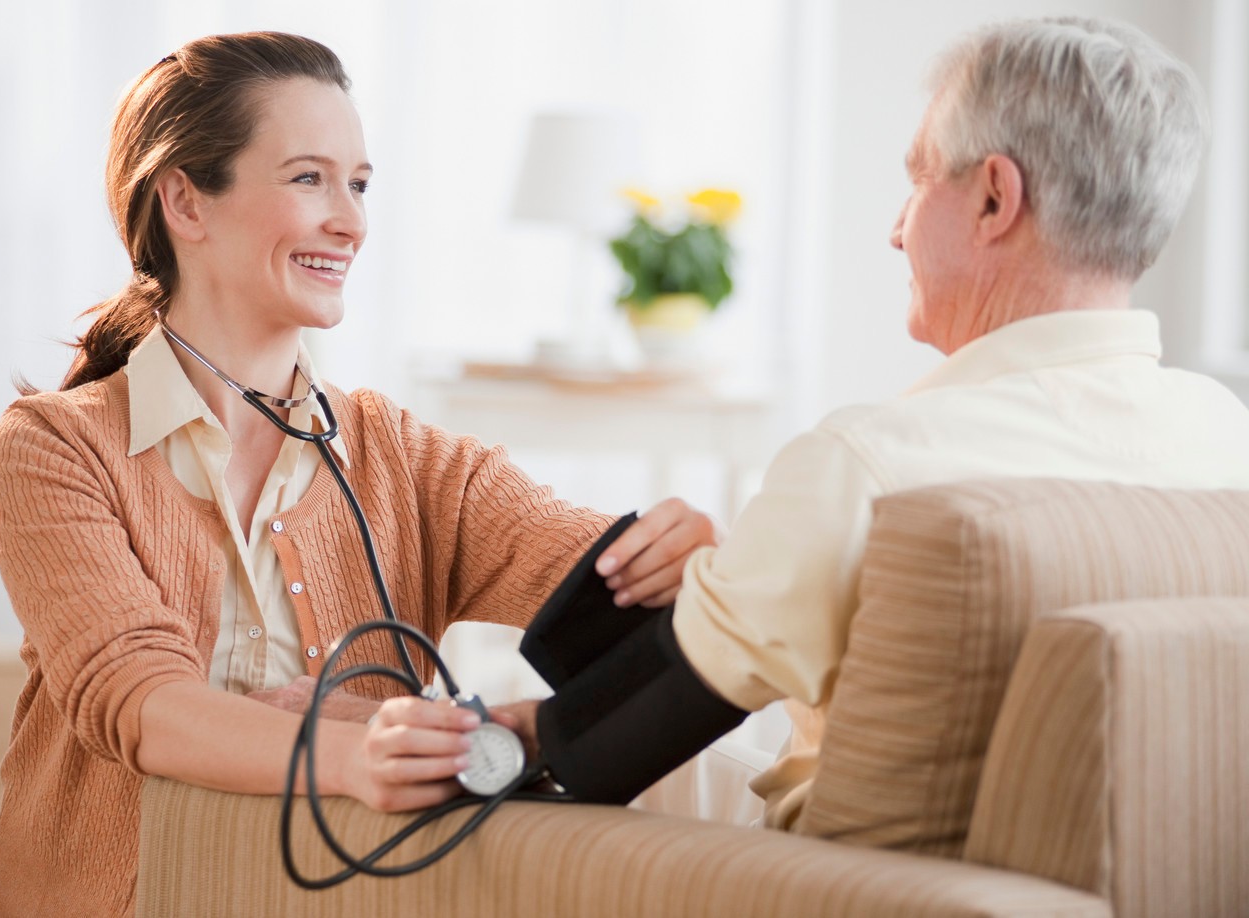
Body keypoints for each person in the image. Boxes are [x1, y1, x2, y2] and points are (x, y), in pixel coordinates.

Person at [0, 32, 717, 918]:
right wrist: (357, 754)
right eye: (307, 178)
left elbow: (626, 602)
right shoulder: (54, 449)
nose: (352, 222)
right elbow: (141, 704)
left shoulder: (409, 460)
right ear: (184, 200)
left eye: (359, 184)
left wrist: (686, 563)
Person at [514, 16, 1249, 827]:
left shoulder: (870, 466)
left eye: (921, 179)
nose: (896, 230)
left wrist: (470, 732)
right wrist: (749, 570)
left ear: (995, 198)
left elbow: (594, 748)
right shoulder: (1226, 440)